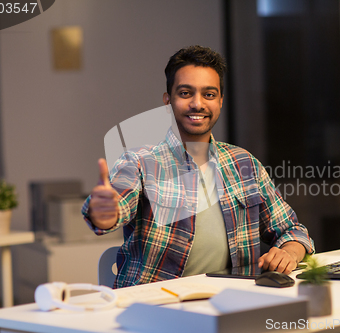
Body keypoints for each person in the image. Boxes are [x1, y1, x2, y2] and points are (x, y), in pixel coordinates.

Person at [82, 45, 314, 288]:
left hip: (232, 299)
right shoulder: (140, 162)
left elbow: (292, 229)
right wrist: (104, 212)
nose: (197, 104)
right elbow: (114, 208)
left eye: (209, 94)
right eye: (185, 93)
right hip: (156, 306)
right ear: (167, 102)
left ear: (220, 101)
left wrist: (289, 252)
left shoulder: (243, 162)